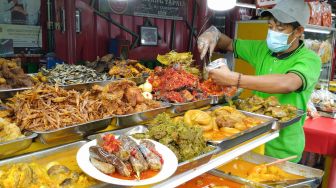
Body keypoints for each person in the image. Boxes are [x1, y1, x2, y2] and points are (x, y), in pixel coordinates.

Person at [198, 0, 321, 163]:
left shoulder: (309, 59)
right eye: (270, 27)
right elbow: (228, 43)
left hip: (282, 149)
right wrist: (213, 34)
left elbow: (288, 83)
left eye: (280, 28)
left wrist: (235, 79)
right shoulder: (263, 49)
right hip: (253, 139)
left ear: (298, 31)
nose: (273, 32)